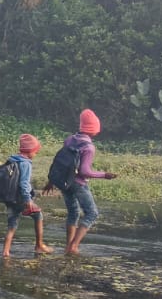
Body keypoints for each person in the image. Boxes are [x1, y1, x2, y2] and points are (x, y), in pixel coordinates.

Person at [47, 109, 118, 257]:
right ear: (94, 129)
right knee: (92, 213)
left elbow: (60, 162)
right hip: (78, 184)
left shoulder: (69, 140)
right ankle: (73, 246)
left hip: (65, 182)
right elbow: (85, 172)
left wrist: (51, 181)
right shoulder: (89, 147)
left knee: (73, 212)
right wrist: (104, 175)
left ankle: (68, 246)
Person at [1, 134, 53, 259]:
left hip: (10, 197)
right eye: (35, 152)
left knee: (12, 225)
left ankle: (5, 252)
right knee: (38, 215)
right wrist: (28, 200)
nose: (35, 154)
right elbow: (24, 183)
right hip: (21, 198)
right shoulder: (25, 163)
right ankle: (39, 245)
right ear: (29, 151)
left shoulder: (12, 160)